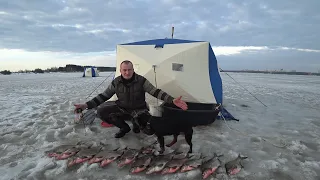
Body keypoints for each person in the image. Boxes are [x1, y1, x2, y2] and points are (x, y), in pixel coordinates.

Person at [74, 60, 188, 138]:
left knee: (149, 131)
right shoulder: (116, 82)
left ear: (133, 69)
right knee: (101, 111)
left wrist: (172, 100)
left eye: (129, 69)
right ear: (120, 70)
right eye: (124, 70)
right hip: (122, 108)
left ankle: (136, 122)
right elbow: (104, 96)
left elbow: (155, 92)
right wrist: (86, 105)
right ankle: (124, 128)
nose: (127, 72)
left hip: (139, 109)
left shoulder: (141, 80)